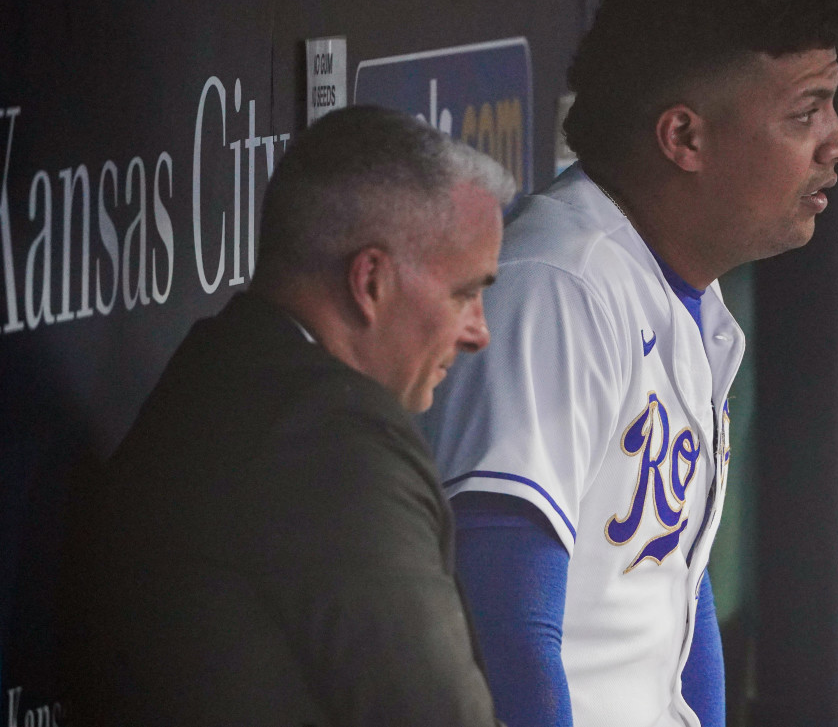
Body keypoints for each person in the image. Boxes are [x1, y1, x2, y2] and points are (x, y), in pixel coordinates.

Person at [423, 0, 838, 727]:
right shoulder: (558, 287)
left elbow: (673, 595)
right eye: (806, 112)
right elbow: (505, 621)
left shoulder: (677, 287)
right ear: (684, 137)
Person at [69, 106, 513, 727]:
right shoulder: (334, 449)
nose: (478, 333)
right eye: (465, 293)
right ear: (370, 281)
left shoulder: (219, 368)